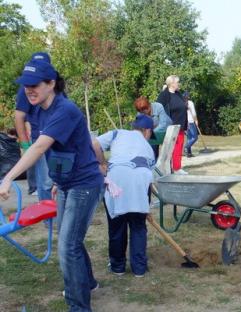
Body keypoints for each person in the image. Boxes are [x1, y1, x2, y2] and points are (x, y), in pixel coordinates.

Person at [0, 59, 103, 311]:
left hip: (85, 183)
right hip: (66, 183)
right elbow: (57, 150)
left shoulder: (64, 110)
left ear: (51, 84)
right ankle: (87, 282)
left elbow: (40, 147)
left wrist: (8, 177)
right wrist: (57, 180)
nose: (28, 90)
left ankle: (78, 306)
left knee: (67, 245)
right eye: (25, 85)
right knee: (71, 240)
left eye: (34, 85)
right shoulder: (38, 111)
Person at [92, 114, 155, 277]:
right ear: (147, 131)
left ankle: (117, 267)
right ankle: (139, 268)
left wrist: (102, 163)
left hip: (116, 179)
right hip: (139, 181)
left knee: (116, 225)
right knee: (138, 226)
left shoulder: (117, 133)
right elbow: (149, 178)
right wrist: (145, 207)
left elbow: (93, 144)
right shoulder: (148, 148)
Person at [15, 52, 54, 200]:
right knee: (45, 181)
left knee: (60, 179)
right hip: (39, 138)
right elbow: (19, 116)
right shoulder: (25, 89)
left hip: (59, 139)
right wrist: (25, 145)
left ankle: (59, 213)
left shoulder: (54, 87)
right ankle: (49, 219)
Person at [157, 75, 188, 174]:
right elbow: (158, 109)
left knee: (179, 147)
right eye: (177, 82)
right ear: (172, 84)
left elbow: (183, 108)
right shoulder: (164, 95)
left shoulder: (178, 94)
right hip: (170, 127)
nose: (179, 84)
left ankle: (177, 168)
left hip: (181, 126)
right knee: (169, 148)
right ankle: (166, 169)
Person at [133, 96, 171, 161]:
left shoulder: (158, 106)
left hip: (167, 130)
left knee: (167, 154)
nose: (144, 112)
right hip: (153, 133)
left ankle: (168, 168)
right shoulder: (140, 113)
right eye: (141, 111)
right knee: (152, 151)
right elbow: (140, 128)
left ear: (149, 104)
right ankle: (153, 166)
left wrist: (150, 131)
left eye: (145, 109)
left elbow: (163, 124)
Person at [184, 91, 198, 157]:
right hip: (191, 122)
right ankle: (186, 147)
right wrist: (196, 120)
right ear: (188, 96)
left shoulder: (182, 103)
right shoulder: (190, 103)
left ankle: (189, 153)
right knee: (195, 137)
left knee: (189, 138)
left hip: (185, 123)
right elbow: (194, 113)